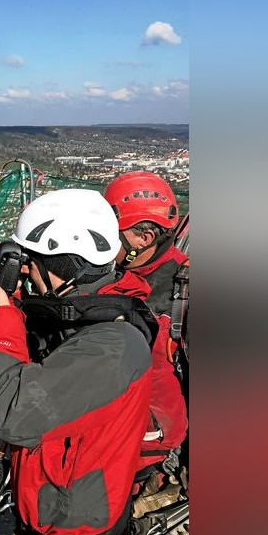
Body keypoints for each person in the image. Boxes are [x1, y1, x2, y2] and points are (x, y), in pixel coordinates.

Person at [0, 189, 155, 535]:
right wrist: (12, 303)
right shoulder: (79, 318)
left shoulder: (112, 347)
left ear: (66, 266)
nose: (27, 272)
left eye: (33, 264)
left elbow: (12, 413)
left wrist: (0, 317)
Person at [104, 171, 189, 466]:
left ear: (144, 238)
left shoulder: (182, 294)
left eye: (109, 233)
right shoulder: (119, 271)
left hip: (150, 441)